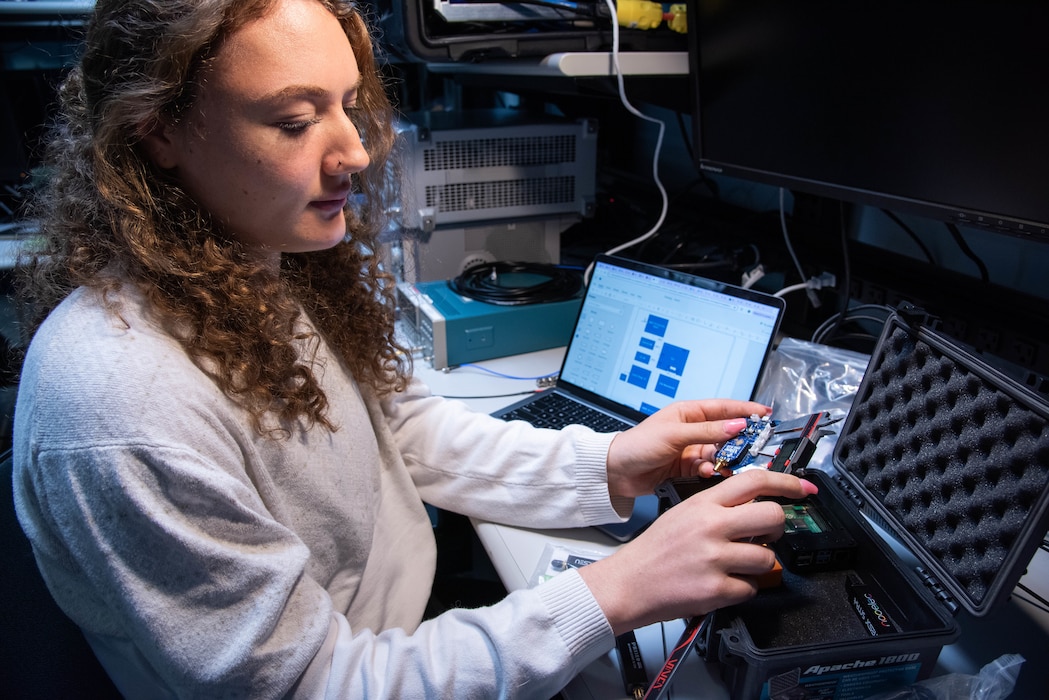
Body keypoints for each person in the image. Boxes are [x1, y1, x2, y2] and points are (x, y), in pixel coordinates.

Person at [11, 0, 817, 697]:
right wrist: (613, 592)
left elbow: (397, 434)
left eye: (348, 105)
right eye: (294, 121)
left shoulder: (251, 266)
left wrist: (608, 465)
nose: (354, 152)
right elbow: (312, 686)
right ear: (157, 134)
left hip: (395, 634)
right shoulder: (123, 397)